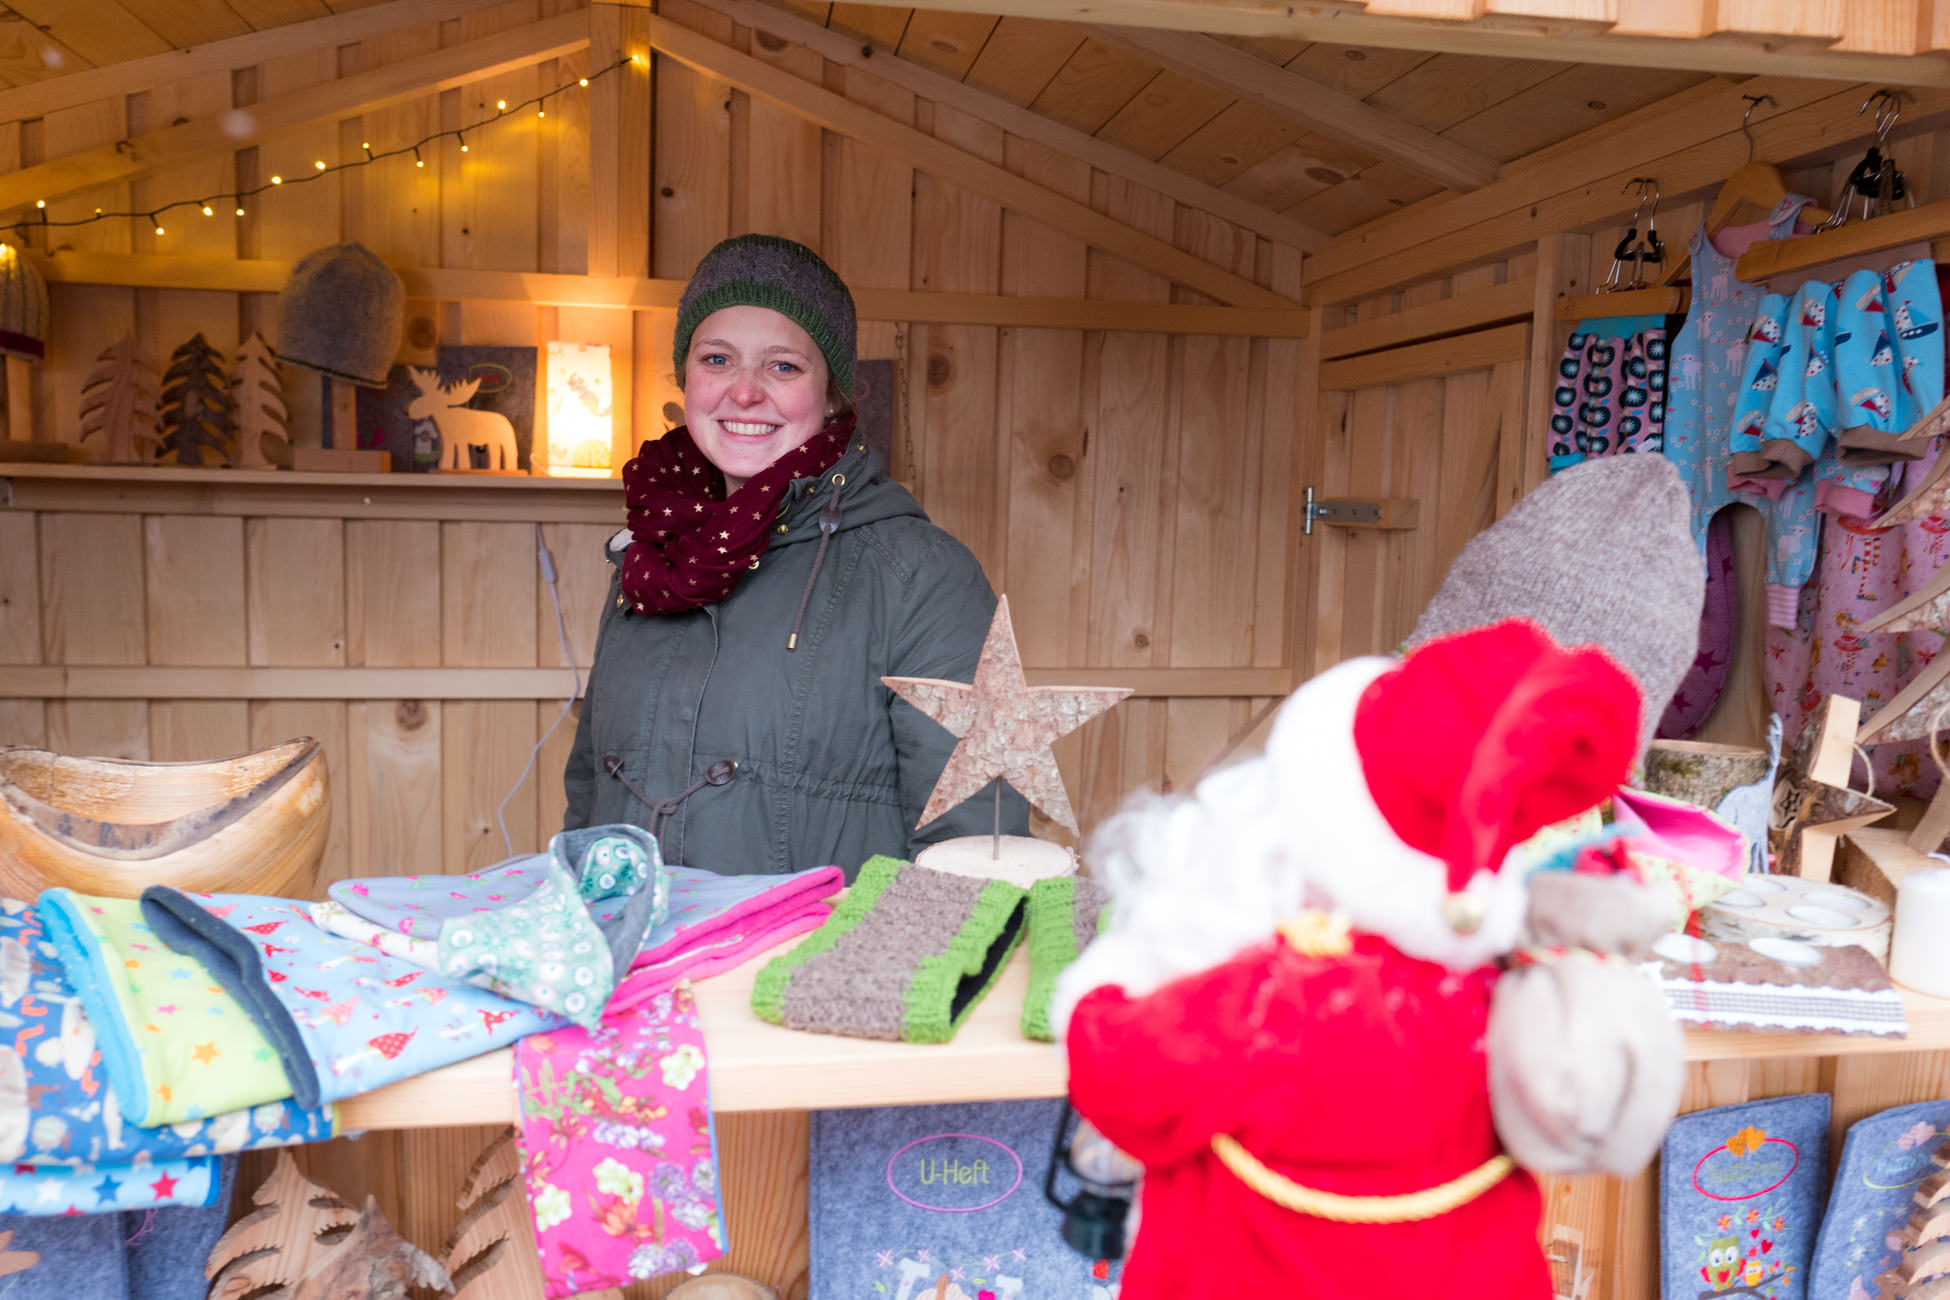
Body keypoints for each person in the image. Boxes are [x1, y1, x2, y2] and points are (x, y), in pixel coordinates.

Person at [563, 234, 1028, 879]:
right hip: (632, 943)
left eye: (783, 367)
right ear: (685, 378)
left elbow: (976, 850)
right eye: (717, 359)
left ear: (833, 394)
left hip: (824, 947)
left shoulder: (924, 577)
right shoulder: (649, 561)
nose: (744, 393)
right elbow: (588, 801)